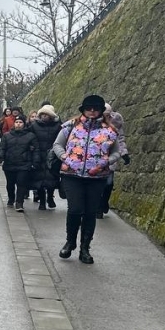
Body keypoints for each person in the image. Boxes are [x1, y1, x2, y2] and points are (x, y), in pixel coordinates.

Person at [52, 94, 120, 264]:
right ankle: (70, 242)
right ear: (83, 109)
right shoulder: (71, 125)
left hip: (96, 177)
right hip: (71, 175)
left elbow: (117, 152)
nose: (91, 111)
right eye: (88, 108)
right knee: (75, 209)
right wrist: (65, 158)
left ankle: (85, 248)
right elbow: (57, 145)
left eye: (95, 108)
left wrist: (105, 161)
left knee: (90, 212)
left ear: (100, 111)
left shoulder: (109, 131)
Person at [0, 115, 40, 212]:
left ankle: (19, 202)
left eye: (20, 122)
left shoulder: (30, 136)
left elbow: (36, 150)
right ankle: (11, 198)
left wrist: (35, 162)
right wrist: (0, 158)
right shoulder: (7, 136)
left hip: (24, 164)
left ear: (24, 124)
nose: (18, 124)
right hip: (9, 163)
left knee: (21, 183)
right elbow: (2, 148)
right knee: (10, 184)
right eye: (17, 122)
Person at [29, 104, 62, 210]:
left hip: (53, 155)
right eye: (42, 114)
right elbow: (29, 137)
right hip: (39, 155)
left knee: (52, 178)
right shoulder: (34, 126)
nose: (44, 116)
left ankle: (50, 197)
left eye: (46, 115)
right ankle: (42, 201)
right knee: (40, 180)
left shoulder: (58, 126)